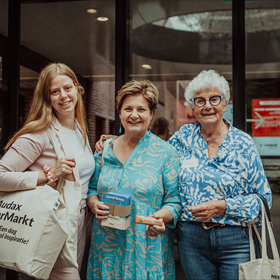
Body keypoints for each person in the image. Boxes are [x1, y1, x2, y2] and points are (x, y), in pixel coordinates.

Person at [95, 70, 272, 280]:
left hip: (234, 238)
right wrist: (120, 139)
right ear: (192, 106)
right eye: (199, 100)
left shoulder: (244, 143)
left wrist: (222, 206)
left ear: (225, 104)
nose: (207, 105)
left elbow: (264, 201)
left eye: (214, 99)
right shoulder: (183, 138)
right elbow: (150, 151)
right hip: (191, 239)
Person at [0, 62, 95, 280]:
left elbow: (82, 174)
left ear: (77, 89)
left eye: (67, 88)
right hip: (53, 224)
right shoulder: (39, 134)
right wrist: (48, 174)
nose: (63, 96)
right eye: (55, 91)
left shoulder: (79, 129)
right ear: (47, 97)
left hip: (78, 222)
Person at [86, 79, 182, 279]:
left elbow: (175, 201)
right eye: (128, 108)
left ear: (151, 113)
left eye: (141, 109)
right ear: (119, 112)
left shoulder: (165, 153)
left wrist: (160, 218)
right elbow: (92, 188)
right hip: (106, 247)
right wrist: (94, 204)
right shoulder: (104, 150)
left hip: (146, 249)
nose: (134, 115)